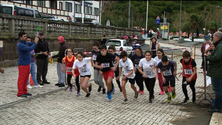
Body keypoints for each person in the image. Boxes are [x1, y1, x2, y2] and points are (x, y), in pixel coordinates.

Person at [17, 32, 38, 97]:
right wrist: (35, 43)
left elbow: (31, 43)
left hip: (27, 63)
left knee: (26, 78)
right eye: (24, 36)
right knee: (22, 79)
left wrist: (36, 40)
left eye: (26, 36)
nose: (26, 37)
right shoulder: (20, 44)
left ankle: (25, 91)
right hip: (22, 64)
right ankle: (20, 93)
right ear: (20, 37)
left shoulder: (25, 42)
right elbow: (29, 49)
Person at [205, 31, 222, 113]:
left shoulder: (220, 46)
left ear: (217, 37)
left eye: (214, 37)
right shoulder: (218, 46)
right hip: (217, 71)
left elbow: (216, 58)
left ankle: (218, 106)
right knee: (218, 89)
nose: (213, 38)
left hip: (217, 72)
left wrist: (209, 56)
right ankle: (217, 105)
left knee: (218, 90)